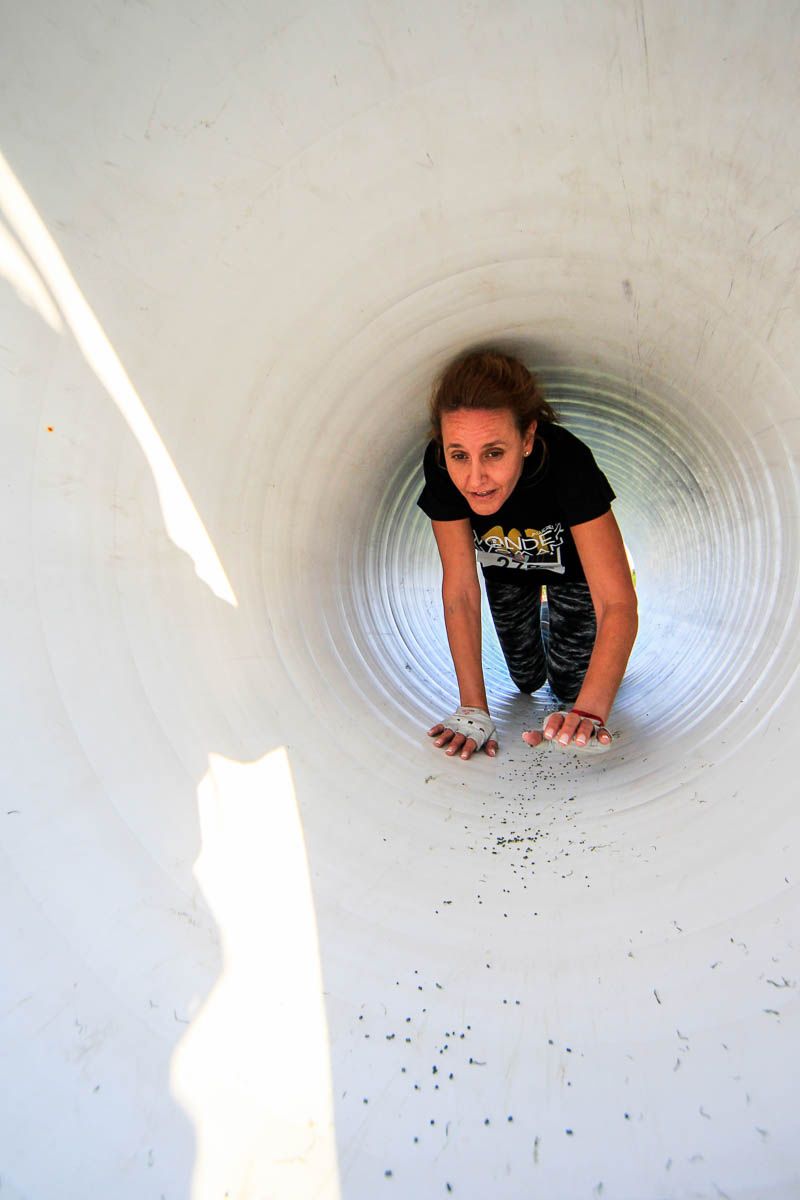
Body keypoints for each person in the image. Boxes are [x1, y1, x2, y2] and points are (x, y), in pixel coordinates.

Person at [416, 348, 638, 761]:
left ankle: (557, 618)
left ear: (528, 438)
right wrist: (473, 710)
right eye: (459, 454)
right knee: (526, 678)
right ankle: (546, 618)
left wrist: (589, 711)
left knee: (570, 686)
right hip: (505, 566)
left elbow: (617, 601)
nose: (476, 478)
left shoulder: (568, 462)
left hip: (572, 572)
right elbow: (461, 589)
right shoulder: (442, 467)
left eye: (494, 453)